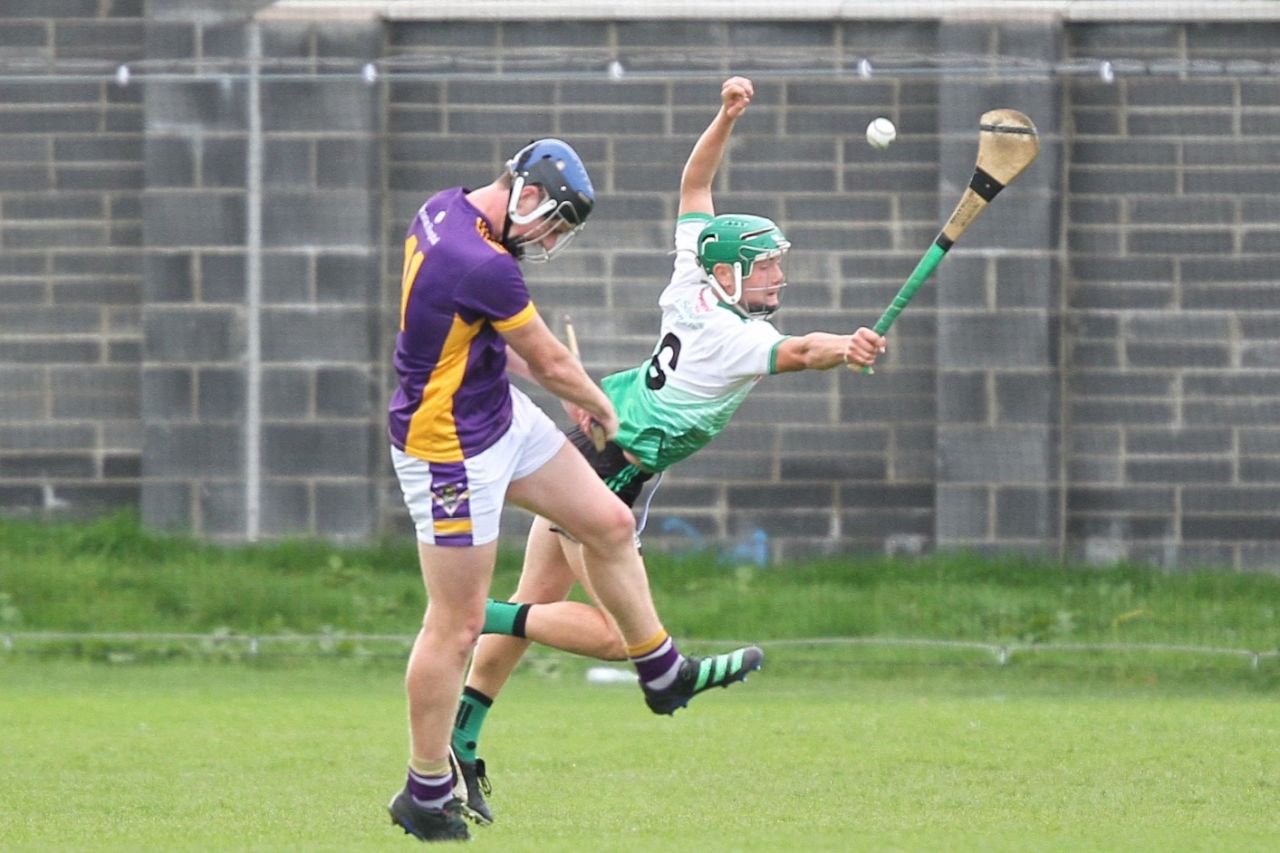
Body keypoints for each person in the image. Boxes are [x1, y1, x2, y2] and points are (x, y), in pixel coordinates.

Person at [449, 78, 887, 824]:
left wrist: (723, 118)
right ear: (729, 273)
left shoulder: (692, 272)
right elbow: (803, 350)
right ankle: (471, 613)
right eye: (769, 264)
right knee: (626, 640)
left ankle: (464, 743)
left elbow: (695, 182)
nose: (781, 274)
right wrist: (844, 346)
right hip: (611, 464)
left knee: (540, 600)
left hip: (600, 440)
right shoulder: (735, 336)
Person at [385, 137, 765, 843]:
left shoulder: (442, 211)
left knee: (609, 522)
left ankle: (661, 671)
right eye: (553, 224)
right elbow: (552, 358)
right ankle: (425, 785)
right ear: (525, 194)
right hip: (448, 451)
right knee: (457, 623)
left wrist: (564, 393)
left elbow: (482, 340)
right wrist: (599, 403)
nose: (551, 240)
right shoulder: (487, 263)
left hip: (497, 414)